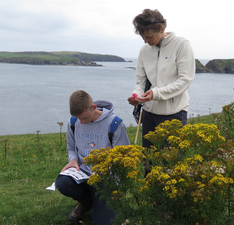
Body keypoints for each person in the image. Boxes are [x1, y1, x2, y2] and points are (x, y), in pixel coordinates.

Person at [56, 90, 130, 225]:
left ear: (93, 107)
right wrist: (73, 160)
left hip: (105, 179)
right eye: (79, 118)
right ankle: (86, 201)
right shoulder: (73, 122)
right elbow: (72, 148)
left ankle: (103, 201)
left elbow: (123, 158)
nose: (82, 122)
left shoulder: (115, 124)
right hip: (82, 174)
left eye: (84, 117)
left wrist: (105, 170)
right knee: (62, 183)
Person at [127, 9, 195, 149]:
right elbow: (141, 81)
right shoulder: (144, 50)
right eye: (143, 38)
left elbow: (185, 80)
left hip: (174, 113)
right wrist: (137, 96)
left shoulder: (182, 45)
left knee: (170, 162)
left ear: (162, 28)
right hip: (148, 114)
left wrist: (155, 94)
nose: (146, 41)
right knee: (149, 162)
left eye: (149, 37)